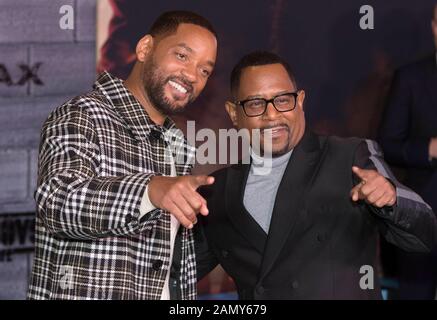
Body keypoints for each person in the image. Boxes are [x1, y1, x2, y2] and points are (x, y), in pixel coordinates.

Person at [195, 51, 437, 300]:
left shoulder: (349, 156)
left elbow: (426, 233)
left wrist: (392, 198)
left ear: (300, 101)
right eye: (256, 103)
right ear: (234, 113)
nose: (272, 114)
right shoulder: (216, 191)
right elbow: (174, 274)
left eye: (283, 100)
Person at [28, 11, 217, 300]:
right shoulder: (83, 114)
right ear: (144, 49)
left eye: (205, 70)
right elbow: (57, 202)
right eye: (182, 56)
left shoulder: (177, 144)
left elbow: (165, 263)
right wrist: (149, 190)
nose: (192, 75)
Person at [377, 4, 437, 300]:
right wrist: (428, 148)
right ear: (434, 28)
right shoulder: (410, 77)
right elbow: (386, 144)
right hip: (422, 219)